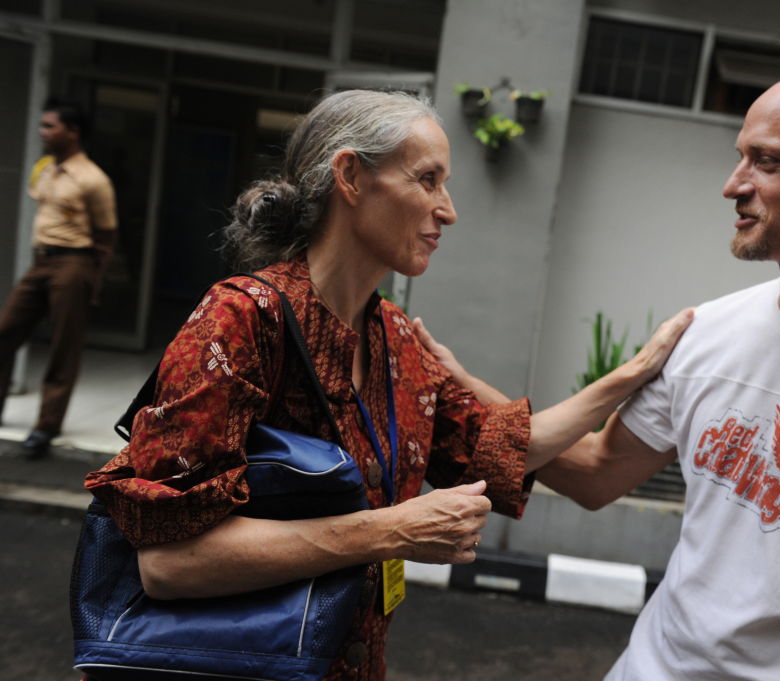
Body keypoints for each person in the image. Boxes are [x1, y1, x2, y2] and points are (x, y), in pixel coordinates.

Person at [419, 70, 780, 681]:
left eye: (768, 161)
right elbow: (597, 474)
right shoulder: (707, 332)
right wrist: (464, 391)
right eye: (740, 158)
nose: (734, 185)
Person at [83, 89, 693, 681]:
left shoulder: (396, 338)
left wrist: (631, 375)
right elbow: (169, 562)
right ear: (350, 176)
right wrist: (394, 530)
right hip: (226, 665)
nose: (447, 209)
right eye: (427, 180)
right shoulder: (241, 319)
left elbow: (497, 448)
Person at [0, 97, 118, 458]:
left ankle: (46, 427)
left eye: (50, 126)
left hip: (73, 264)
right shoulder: (46, 168)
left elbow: (106, 236)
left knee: (63, 346)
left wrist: (90, 279)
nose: (43, 131)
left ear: (72, 132)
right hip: (41, 263)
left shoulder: (93, 179)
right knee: (6, 331)